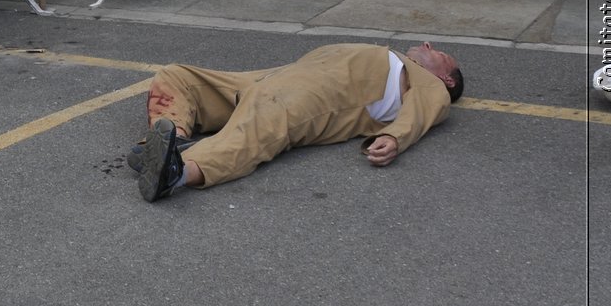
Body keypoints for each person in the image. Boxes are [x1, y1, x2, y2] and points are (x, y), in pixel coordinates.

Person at [133, 42, 466, 202]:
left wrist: (395, 138)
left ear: (447, 79)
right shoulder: (399, 58)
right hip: (282, 75)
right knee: (179, 77)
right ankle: (173, 141)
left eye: (440, 54)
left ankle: (177, 172)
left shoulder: (431, 85)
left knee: (257, 127)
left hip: (319, 94)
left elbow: (424, 111)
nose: (427, 46)